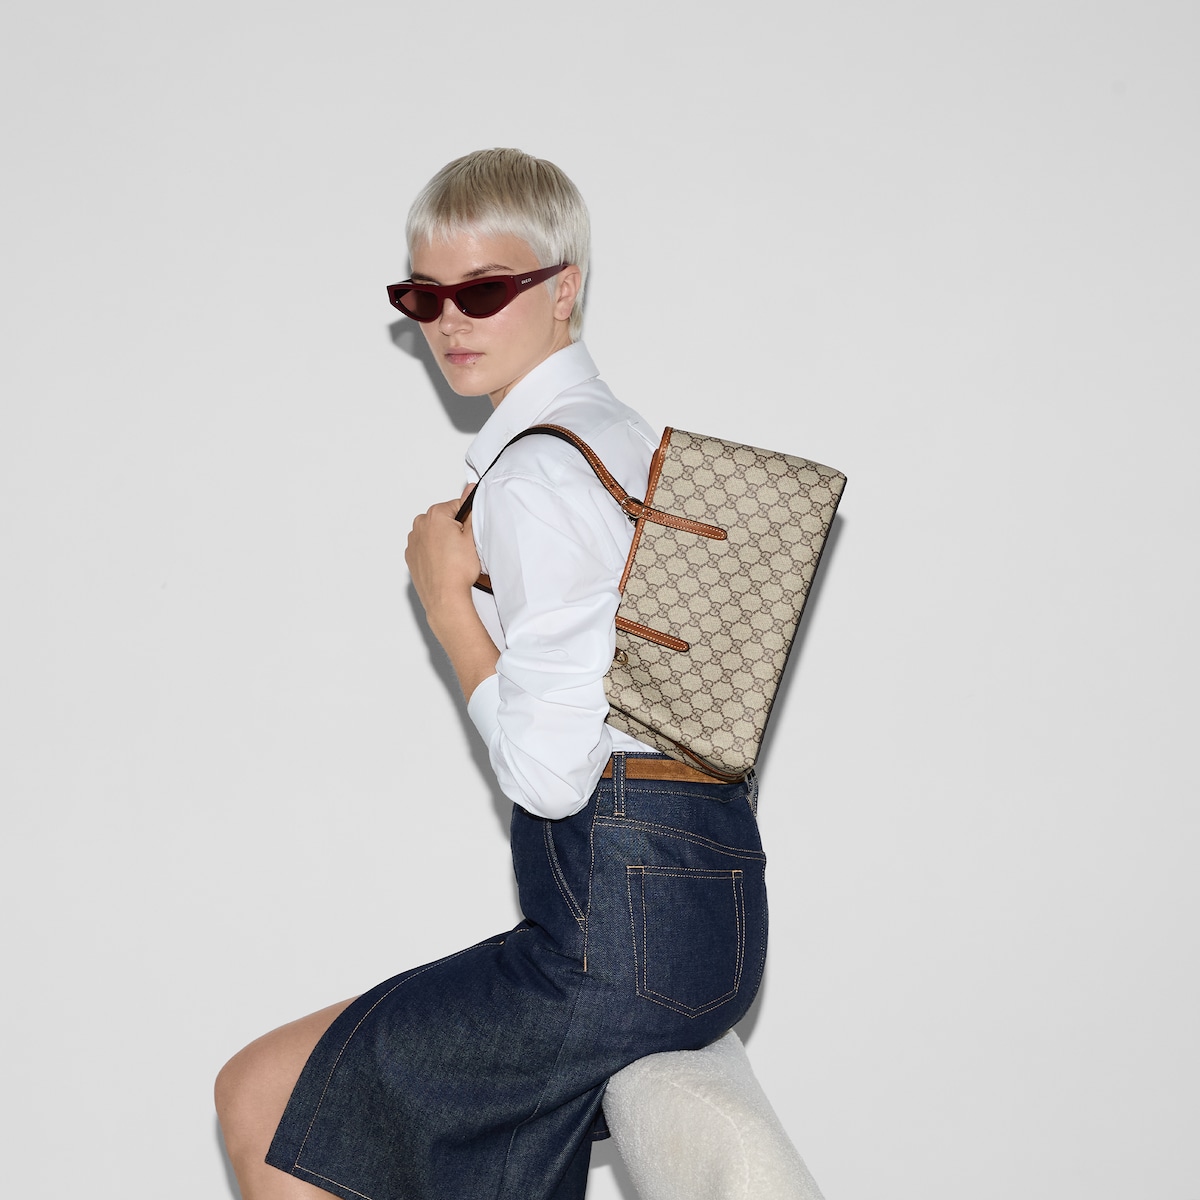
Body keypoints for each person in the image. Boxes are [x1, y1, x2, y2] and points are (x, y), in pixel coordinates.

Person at [214, 148, 768, 1200]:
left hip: (614, 944)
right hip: (698, 924)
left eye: (482, 290)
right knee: (285, 1099)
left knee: (260, 1097)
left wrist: (446, 609)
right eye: (422, 297)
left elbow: (550, 777)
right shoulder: (624, 442)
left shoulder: (538, 472)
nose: (448, 323)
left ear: (564, 290)